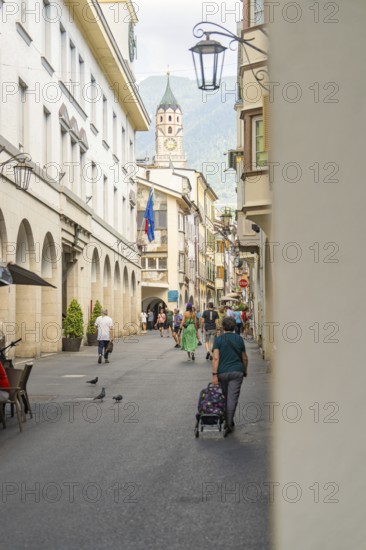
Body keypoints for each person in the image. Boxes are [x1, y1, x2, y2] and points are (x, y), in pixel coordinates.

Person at [211, 316, 248, 437]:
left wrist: (214, 375)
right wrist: (245, 370)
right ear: (234, 327)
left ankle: (228, 419)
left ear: (223, 326)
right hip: (237, 372)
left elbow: (216, 358)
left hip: (222, 373)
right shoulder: (239, 339)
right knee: (233, 398)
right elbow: (244, 357)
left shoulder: (219, 339)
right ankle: (229, 421)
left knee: (225, 396)